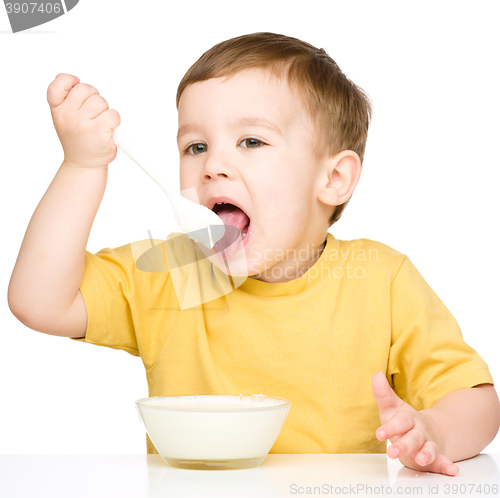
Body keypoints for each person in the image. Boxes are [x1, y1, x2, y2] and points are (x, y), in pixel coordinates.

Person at [8, 32, 499, 476]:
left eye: (251, 141)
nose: (213, 165)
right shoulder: (173, 274)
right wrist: (82, 165)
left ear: (332, 179)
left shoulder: (382, 282)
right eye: (195, 146)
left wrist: (433, 430)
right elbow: (39, 301)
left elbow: (477, 403)